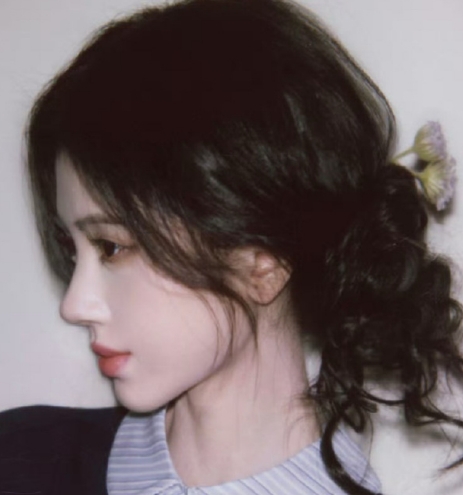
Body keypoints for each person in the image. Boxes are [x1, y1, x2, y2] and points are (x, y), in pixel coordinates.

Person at [0, 0, 462, 493]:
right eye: (74, 251)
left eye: (111, 247)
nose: (74, 305)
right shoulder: (18, 456)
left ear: (263, 263)